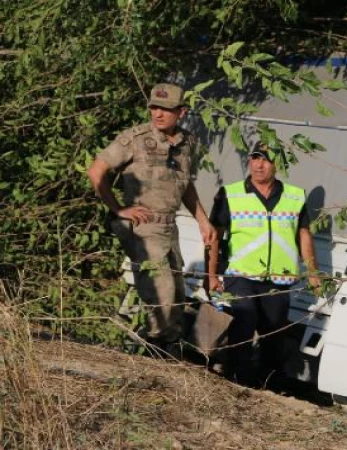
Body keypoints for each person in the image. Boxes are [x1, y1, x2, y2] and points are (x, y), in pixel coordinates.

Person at [88, 83, 216, 347]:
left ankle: (165, 355)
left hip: (170, 227)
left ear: (181, 112)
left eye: (165, 109)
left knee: (178, 295)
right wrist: (118, 209)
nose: (158, 114)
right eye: (154, 108)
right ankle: (151, 351)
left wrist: (203, 221)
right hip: (143, 226)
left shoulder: (187, 142)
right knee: (161, 296)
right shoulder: (135, 139)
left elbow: (185, 185)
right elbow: (96, 171)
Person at [207, 142, 320, 385]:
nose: (259, 165)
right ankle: (235, 380)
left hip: (279, 277)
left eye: (266, 159)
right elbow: (214, 235)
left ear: (277, 164)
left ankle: (266, 384)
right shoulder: (231, 193)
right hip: (241, 274)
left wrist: (313, 272)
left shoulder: (294, 196)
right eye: (255, 158)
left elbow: (304, 235)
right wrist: (212, 274)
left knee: (274, 332)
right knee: (244, 322)